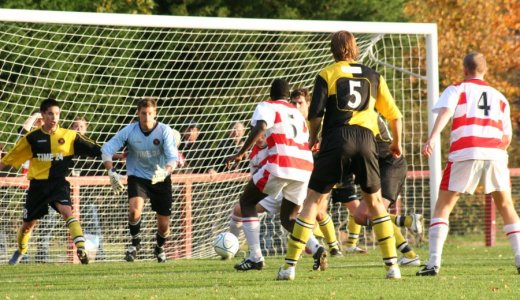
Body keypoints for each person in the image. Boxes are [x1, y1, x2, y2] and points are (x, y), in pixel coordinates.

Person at [277, 30, 403, 280]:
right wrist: (396, 144)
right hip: (367, 140)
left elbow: (315, 116)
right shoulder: (373, 75)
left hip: (337, 138)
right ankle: (393, 267)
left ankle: (289, 267)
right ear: (355, 48)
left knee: (313, 201)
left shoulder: (327, 74)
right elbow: (394, 115)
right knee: (375, 203)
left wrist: (313, 139)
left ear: (333, 50)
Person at [417, 52, 520, 276]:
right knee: (506, 206)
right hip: (495, 153)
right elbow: (507, 137)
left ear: (464, 70)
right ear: (485, 70)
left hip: (465, 151)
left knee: (443, 205)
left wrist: (433, 137)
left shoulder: (456, 89)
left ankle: (433, 263)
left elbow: (446, 111)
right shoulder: (500, 97)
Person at [0, 98, 102, 265]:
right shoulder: (32, 138)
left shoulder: (69, 136)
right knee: (28, 226)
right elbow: (10, 158)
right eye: (50, 114)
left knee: (67, 212)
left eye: (57, 114)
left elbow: (97, 149)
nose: (54, 117)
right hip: (37, 186)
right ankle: (21, 251)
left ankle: (81, 247)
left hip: (58, 183)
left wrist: (116, 155)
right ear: (43, 115)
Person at [226, 79, 314, 271]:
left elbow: (260, 127)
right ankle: (317, 248)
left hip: (282, 164)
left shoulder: (267, 105)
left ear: (271, 94)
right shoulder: (297, 114)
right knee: (288, 219)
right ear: (288, 96)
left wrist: (240, 152)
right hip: (305, 166)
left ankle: (255, 257)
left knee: (246, 202)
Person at [229, 134, 326, 271]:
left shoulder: (274, 145)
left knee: (244, 206)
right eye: (259, 136)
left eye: (264, 134)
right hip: (291, 181)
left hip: (278, 187)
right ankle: (316, 247)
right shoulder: (254, 153)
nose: (261, 137)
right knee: (288, 221)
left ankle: (248, 254)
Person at [101, 98, 178, 263]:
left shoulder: (164, 130)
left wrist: (166, 171)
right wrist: (111, 171)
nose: (147, 117)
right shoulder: (129, 131)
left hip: (161, 177)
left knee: (164, 226)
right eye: (143, 113)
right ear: (138, 114)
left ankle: (159, 248)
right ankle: (135, 244)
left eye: (150, 113)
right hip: (138, 177)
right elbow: (106, 149)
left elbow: (173, 157)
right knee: (135, 211)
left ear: (155, 113)